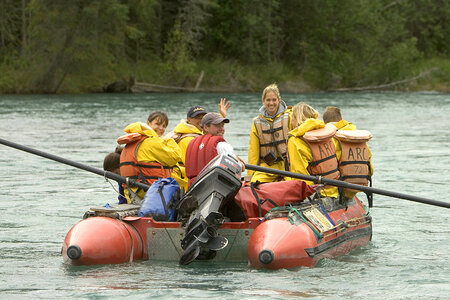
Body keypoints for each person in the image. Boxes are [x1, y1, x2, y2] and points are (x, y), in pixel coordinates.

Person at [165, 99, 230, 190]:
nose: (201, 120)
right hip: (184, 183)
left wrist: (222, 116)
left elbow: (212, 130)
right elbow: (193, 166)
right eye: (198, 117)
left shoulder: (192, 134)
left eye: (203, 117)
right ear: (189, 120)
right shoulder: (188, 140)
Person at [118, 111, 182, 203]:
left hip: (132, 195)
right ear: (148, 123)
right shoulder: (151, 142)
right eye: (157, 124)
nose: (161, 128)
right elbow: (175, 157)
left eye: (164, 126)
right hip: (148, 195)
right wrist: (169, 140)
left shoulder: (133, 142)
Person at [286, 102, 340, 198]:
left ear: (296, 118)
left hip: (317, 194)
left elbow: (298, 174)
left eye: (292, 117)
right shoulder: (325, 134)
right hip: (334, 188)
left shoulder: (296, 140)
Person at [323, 106, 374, 200]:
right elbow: (371, 169)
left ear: (325, 123)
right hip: (357, 186)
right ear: (341, 119)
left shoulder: (331, 139)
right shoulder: (358, 137)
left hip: (338, 189)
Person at [185, 112, 245, 188]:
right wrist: (241, 163)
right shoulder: (222, 145)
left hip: (194, 187)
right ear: (206, 127)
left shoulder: (192, 143)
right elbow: (240, 168)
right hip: (215, 186)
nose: (222, 129)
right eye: (217, 126)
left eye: (222, 125)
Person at [248, 83, 292, 183]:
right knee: (254, 183)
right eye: (268, 100)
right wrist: (249, 176)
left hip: (288, 167)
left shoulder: (289, 117)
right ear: (263, 101)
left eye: (274, 100)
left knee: (293, 184)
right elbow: (253, 153)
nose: (271, 103)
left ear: (279, 100)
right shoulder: (257, 123)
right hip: (267, 167)